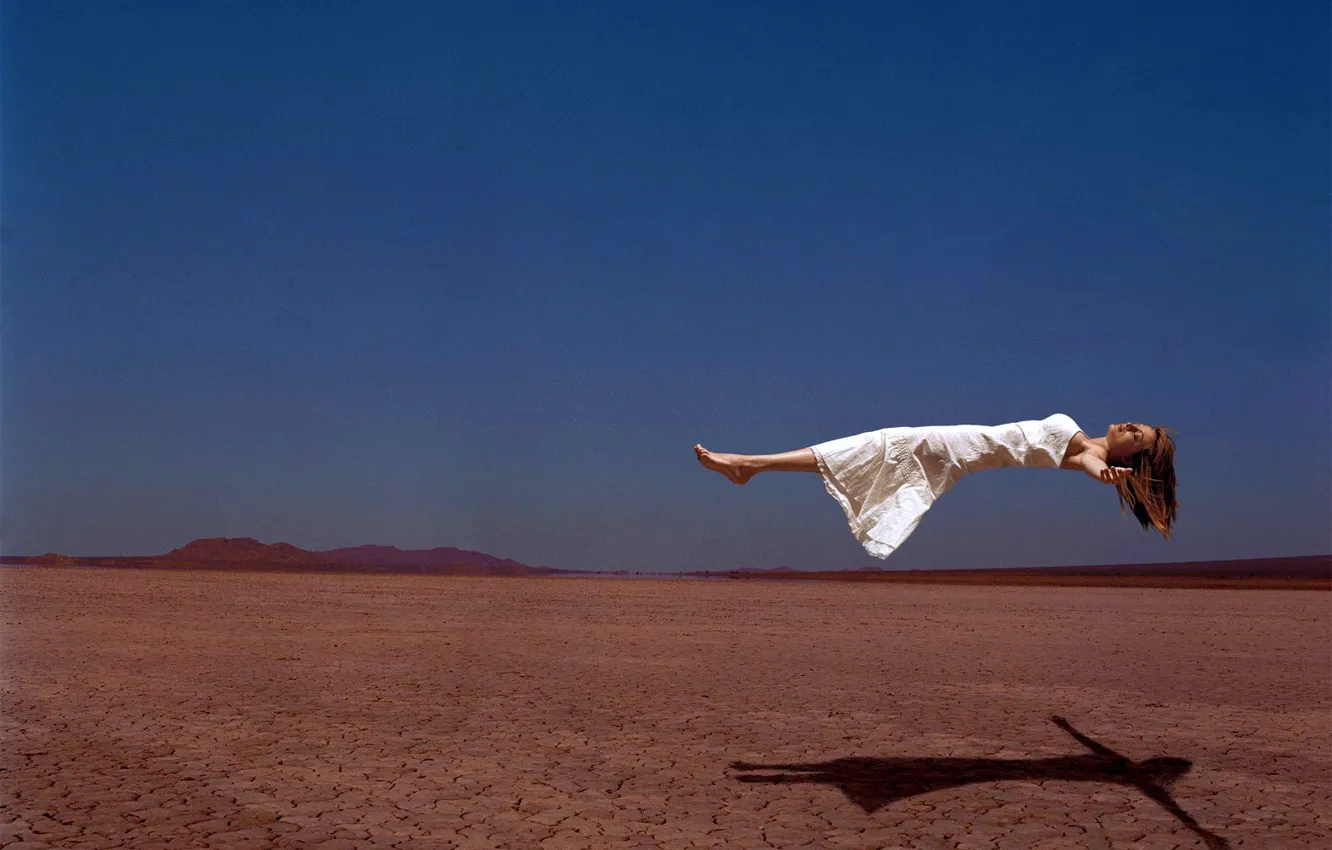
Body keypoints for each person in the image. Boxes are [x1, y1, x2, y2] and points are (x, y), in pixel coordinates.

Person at [694, 414, 1177, 559]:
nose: (1131, 425)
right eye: (1138, 424)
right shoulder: (1086, 441)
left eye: (1138, 436)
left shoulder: (1091, 455)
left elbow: (1095, 468)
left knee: (872, 445)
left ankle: (747, 463)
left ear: (1128, 455)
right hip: (958, 447)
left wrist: (1106, 475)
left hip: (954, 447)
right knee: (865, 449)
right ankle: (750, 465)